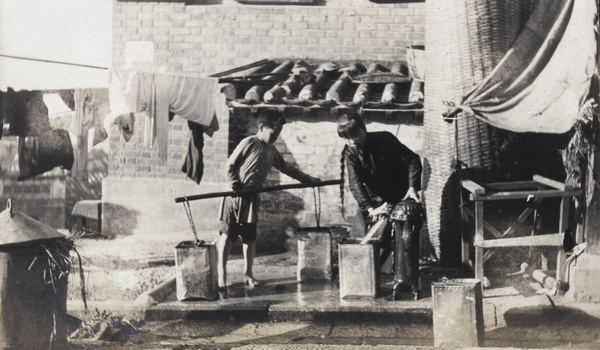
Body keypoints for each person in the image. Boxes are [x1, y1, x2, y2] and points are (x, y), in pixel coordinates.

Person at [218, 109, 320, 290]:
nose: (276, 136)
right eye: (274, 132)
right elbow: (230, 165)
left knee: (249, 238)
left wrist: (308, 179)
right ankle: (221, 274)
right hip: (233, 198)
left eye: (279, 133)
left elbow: (287, 168)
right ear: (262, 127)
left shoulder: (271, 151)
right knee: (228, 235)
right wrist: (235, 185)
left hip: (251, 199)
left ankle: (248, 274)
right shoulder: (248, 142)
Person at [337, 114, 422, 264]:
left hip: (399, 195)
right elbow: (355, 183)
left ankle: (397, 275)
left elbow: (412, 160)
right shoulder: (351, 154)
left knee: (399, 241)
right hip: (373, 200)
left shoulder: (385, 139)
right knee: (363, 242)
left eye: (355, 135)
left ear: (364, 129)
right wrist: (370, 209)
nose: (352, 141)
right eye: (347, 138)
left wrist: (412, 187)